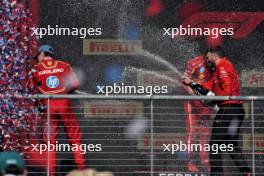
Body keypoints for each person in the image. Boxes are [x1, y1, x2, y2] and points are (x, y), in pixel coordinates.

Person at [183, 46, 251, 176]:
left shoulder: (223, 65)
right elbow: (208, 91)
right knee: (230, 144)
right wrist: (191, 83)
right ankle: (247, 173)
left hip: (228, 110)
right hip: (234, 110)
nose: (206, 61)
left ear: (214, 56)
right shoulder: (218, 71)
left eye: (207, 58)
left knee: (214, 145)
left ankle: (216, 174)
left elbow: (226, 91)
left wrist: (214, 99)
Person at [27, 45, 85, 176]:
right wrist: (62, 88)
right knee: (75, 139)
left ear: (42, 54)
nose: (37, 60)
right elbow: (75, 84)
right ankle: (82, 172)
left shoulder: (36, 68)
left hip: (48, 108)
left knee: (50, 143)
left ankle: (51, 174)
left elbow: (30, 87)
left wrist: (44, 87)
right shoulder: (64, 65)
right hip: (64, 105)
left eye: (38, 57)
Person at [182, 55, 213, 173]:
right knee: (191, 132)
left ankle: (205, 162)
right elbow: (184, 79)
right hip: (192, 104)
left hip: (205, 104)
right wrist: (191, 91)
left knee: (205, 133)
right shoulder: (194, 62)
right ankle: (189, 163)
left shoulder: (218, 65)